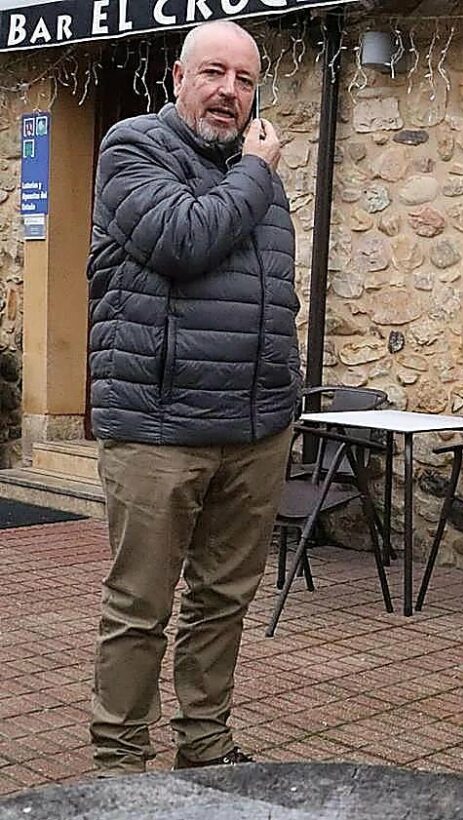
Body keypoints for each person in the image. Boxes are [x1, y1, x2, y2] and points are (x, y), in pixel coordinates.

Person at [86, 19, 300, 774]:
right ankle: (118, 768)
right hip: (156, 426)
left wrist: (285, 394)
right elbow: (181, 240)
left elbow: (276, 295)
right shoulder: (133, 148)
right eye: (213, 73)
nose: (228, 93)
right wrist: (258, 171)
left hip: (255, 427)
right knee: (139, 609)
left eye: (244, 80)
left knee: (223, 601)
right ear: (177, 79)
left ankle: (205, 748)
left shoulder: (256, 174)